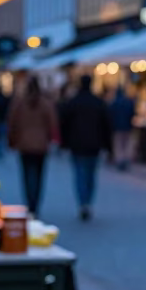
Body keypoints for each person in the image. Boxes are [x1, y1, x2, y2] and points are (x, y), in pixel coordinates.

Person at [61, 75, 112, 220]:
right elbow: (107, 125)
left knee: (80, 175)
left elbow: (64, 123)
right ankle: (87, 201)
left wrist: (64, 143)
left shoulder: (73, 102)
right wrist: (108, 147)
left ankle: (83, 202)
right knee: (90, 175)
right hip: (94, 144)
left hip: (77, 144)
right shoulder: (98, 103)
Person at [7, 75, 59, 217]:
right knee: (39, 174)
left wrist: (12, 140)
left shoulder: (20, 103)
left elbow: (12, 123)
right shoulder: (45, 104)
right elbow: (52, 123)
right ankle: (35, 204)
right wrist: (50, 139)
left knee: (26, 174)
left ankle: (29, 202)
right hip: (41, 144)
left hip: (24, 144)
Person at [109, 85, 136, 171]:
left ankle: (120, 160)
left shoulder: (114, 103)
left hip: (117, 127)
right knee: (126, 144)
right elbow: (132, 113)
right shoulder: (128, 102)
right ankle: (125, 159)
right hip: (127, 127)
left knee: (118, 144)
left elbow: (110, 115)